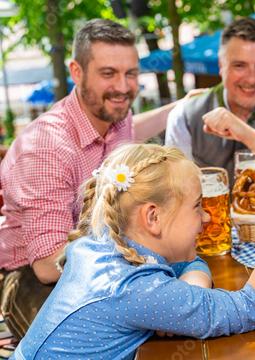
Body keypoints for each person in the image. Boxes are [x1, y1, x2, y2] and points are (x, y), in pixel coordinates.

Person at [12, 144, 255, 359]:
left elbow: (185, 263)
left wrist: (193, 280)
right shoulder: (138, 291)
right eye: (197, 206)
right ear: (153, 218)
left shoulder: (99, 244)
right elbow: (252, 309)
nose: (207, 217)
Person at [0, 19, 176, 339]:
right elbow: (47, 265)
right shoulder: (45, 148)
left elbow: (136, 129)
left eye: (131, 74)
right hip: (30, 274)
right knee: (95, 342)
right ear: (77, 72)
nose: (123, 87)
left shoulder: (114, 114)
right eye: (108, 73)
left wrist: (183, 105)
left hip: (104, 260)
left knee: (171, 318)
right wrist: (137, 255)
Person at [165, 17, 255, 182]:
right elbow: (176, 190)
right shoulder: (184, 115)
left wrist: (249, 136)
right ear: (221, 66)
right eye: (239, 66)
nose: (251, 79)